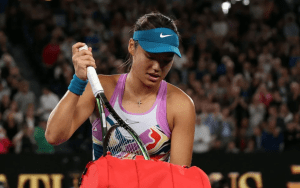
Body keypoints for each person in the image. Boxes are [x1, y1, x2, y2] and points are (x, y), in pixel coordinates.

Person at [46, 12, 196, 167]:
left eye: (166, 60)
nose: (157, 67)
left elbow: (179, 178)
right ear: (131, 46)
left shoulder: (181, 105)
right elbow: (54, 136)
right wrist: (78, 81)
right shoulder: (100, 87)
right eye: (150, 57)